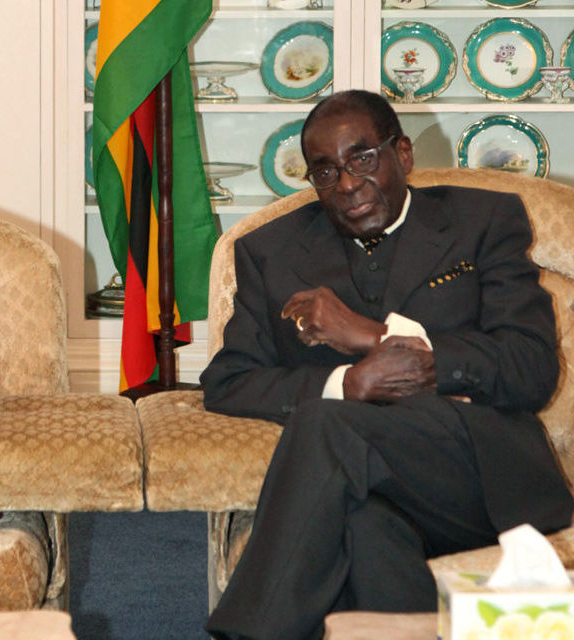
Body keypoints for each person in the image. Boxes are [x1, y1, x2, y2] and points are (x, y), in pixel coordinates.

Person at [200, 90, 574, 640]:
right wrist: (346, 383)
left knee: (323, 424)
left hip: (478, 476)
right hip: (366, 485)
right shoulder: (271, 251)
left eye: (363, 159)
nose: (347, 184)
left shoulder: (482, 221)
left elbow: (532, 367)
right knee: (366, 530)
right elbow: (228, 383)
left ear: (403, 153)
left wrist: (373, 338)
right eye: (324, 172)